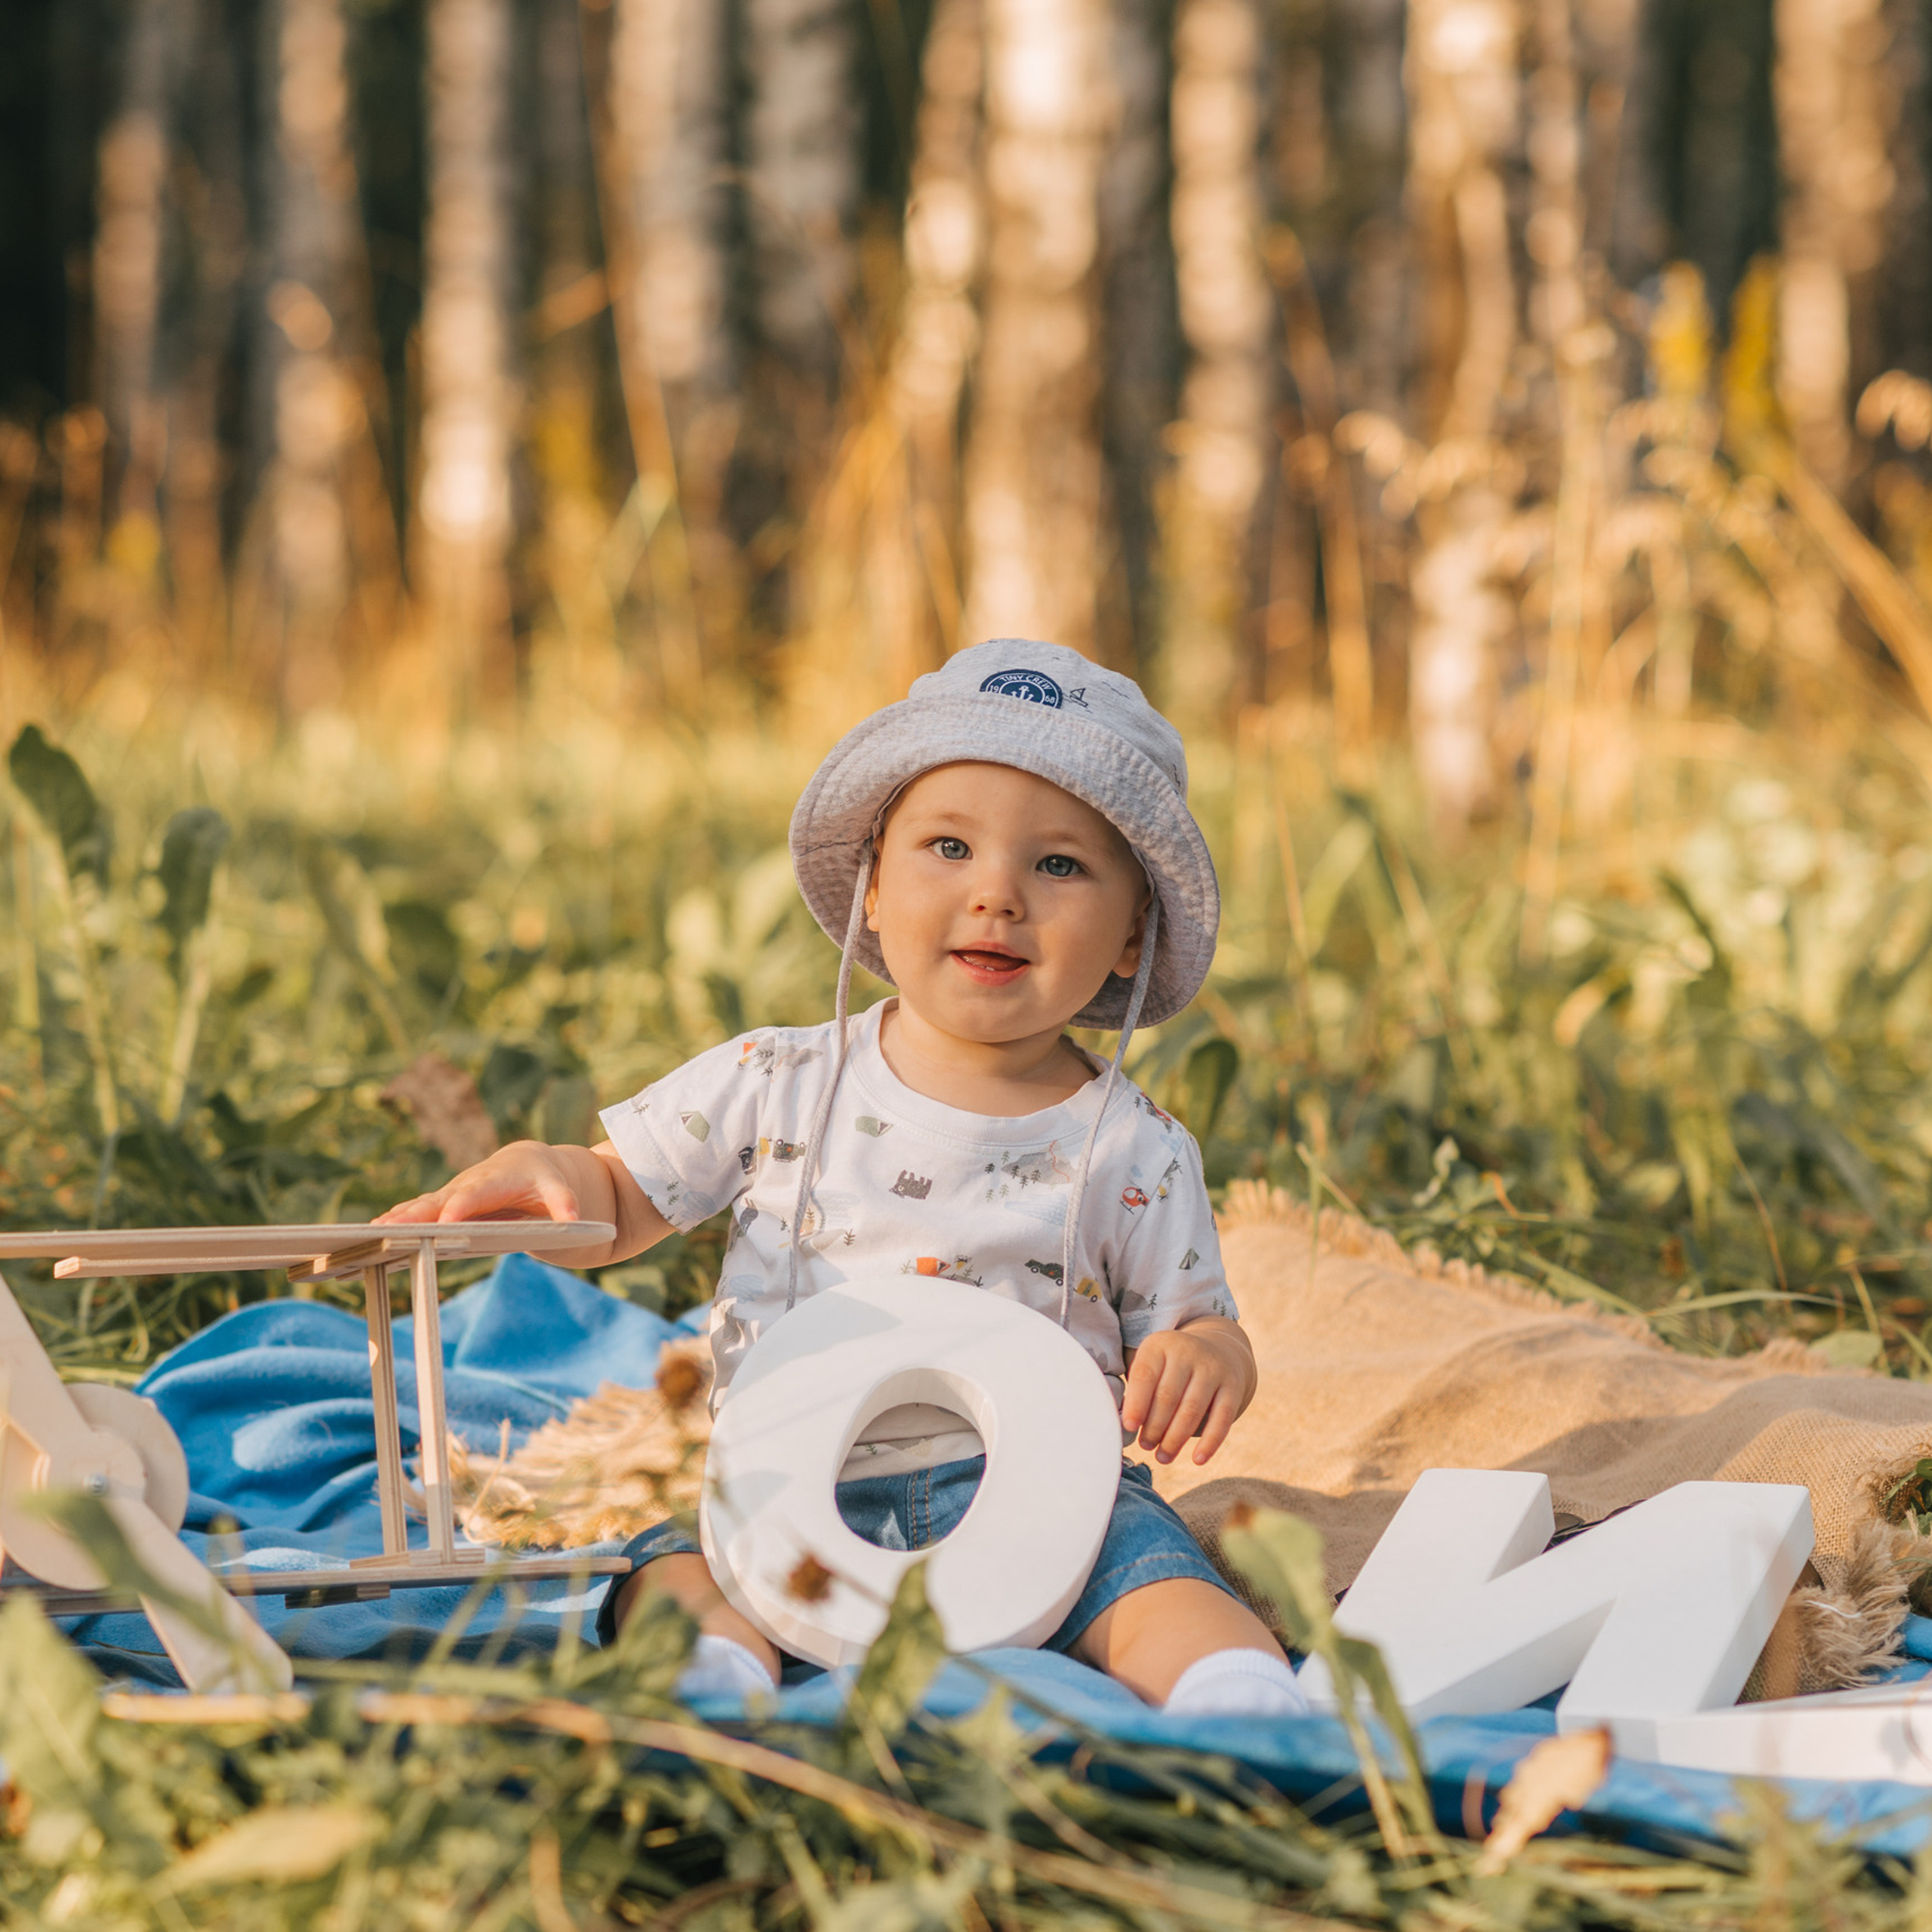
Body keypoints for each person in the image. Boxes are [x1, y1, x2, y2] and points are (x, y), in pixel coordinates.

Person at [380, 639, 1308, 1718]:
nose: (997, 896)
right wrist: (555, 1177)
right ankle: (715, 1674)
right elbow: (624, 1191)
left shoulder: (1133, 1148)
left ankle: (1239, 1698)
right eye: (949, 847)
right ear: (871, 887)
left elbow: (1195, 1323)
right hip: (782, 1472)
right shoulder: (775, 1079)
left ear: (1130, 935)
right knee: (675, 1564)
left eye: (1059, 865)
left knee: (1154, 1578)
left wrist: (1203, 1360)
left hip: (1041, 1497)